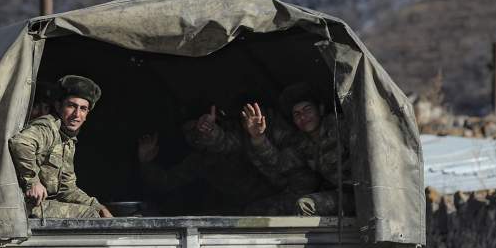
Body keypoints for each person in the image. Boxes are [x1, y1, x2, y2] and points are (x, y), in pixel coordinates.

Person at [136, 107, 280, 215]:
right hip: (237, 213)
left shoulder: (236, 141)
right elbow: (166, 182)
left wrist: (212, 132)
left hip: (271, 205)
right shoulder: (199, 160)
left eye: (197, 128)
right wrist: (146, 162)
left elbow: (274, 164)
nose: (193, 136)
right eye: (187, 133)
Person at [241, 83, 353, 216]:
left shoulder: (339, 127)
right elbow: (280, 164)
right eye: (297, 114)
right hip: (338, 194)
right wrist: (258, 137)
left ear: (320, 110)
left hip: (361, 194)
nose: (303, 117)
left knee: (304, 205)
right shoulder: (301, 143)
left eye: (308, 110)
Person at [9, 75, 113, 219]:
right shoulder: (48, 127)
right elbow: (21, 143)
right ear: (58, 106)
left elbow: (67, 189)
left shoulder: (67, 140)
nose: (77, 114)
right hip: (22, 206)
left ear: (87, 114)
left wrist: (97, 205)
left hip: (38, 206)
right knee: (90, 215)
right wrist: (32, 182)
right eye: (71, 106)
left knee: (98, 212)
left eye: (83, 109)